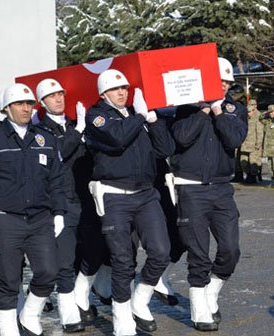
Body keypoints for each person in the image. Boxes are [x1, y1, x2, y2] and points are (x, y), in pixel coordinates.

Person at [84, 69, 175, 335]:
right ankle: (122, 318)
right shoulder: (97, 115)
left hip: (146, 195)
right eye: (115, 89)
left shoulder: (140, 116)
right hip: (114, 195)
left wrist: (154, 119)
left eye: (124, 88)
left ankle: (140, 300)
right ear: (104, 94)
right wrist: (139, 116)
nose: (122, 92)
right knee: (123, 260)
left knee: (161, 251)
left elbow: (165, 150)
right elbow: (117, 138)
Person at [0, 83, 66, 335]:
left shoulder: (44, 138)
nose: (26, 108)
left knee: (49, 272)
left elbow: (57, 179)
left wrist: (59, 212)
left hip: (40, 219)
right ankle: (8, 331)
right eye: (19, 104)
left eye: (29, 104)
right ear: (6, 108)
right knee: (9, 281)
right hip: (5, 220)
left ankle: (29, 316)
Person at [168, 57, 247, 331]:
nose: (223, 86)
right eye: (219, 81)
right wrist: (202, 110)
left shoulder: (235, 109)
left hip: (222, 188)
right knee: (198, 252)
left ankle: (211, 290)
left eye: (227, 82)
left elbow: (234, 139)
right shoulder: (186, 109)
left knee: (230, 249)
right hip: (190, 188)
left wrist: (218, 112)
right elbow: (181, 139)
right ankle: (198, 308)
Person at [34, 78, 86, 333]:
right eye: (52, 96)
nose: (59, 99)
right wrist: (79, 130)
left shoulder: (75, 124)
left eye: (61, 94)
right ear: (43, 102)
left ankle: (81, 297)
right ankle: (69, 313)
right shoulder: (41, 131)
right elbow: (60, 152)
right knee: (64, 260)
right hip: (61, 202)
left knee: (92, 253)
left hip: (85, 198)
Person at [239, 99, 264, 184]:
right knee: (243, 162)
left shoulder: (258, 117)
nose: (248, 113)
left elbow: (260, 132)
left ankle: (253, 177)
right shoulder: (245, 118)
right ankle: (248, 175)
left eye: (249, 111)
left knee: (253, 162)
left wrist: (258, 144)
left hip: (253, 144)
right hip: (245, 144)